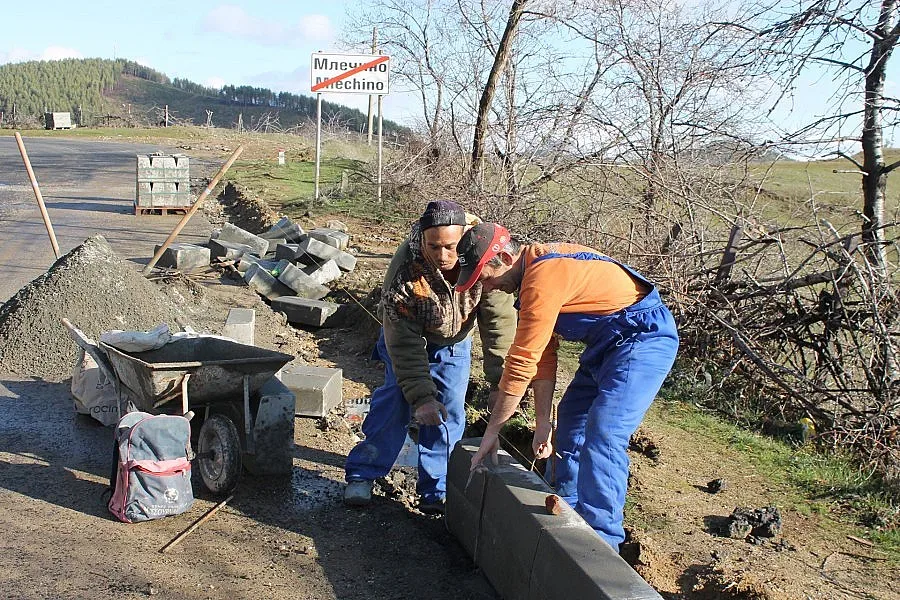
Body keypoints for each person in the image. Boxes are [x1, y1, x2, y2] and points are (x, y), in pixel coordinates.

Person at [455, 222, 679, 549]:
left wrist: (492, 433)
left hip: (641, 338)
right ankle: (566, 503)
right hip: (607, 344)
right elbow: (543, 358)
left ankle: (603, 542)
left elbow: (521, 362)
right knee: (571, 418)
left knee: (605, 430)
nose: (488, 289)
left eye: (486, 279)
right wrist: (543, 422)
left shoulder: (545, 274)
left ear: (503, 257)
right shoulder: (531, 279)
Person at [343, 202, 516, 514]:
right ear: (422, 239)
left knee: (448, 411)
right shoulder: (405, 270)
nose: (442, 256)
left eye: (450, 247)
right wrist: (421, 396)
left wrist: (499, 383)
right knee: (395, 400)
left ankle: (437, 488)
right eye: (433, 246)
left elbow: (498, 324)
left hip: (455, 339)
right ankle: (363, 472)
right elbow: (404, 344)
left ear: (464, 237)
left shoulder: (484, 253)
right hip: (406, 335)